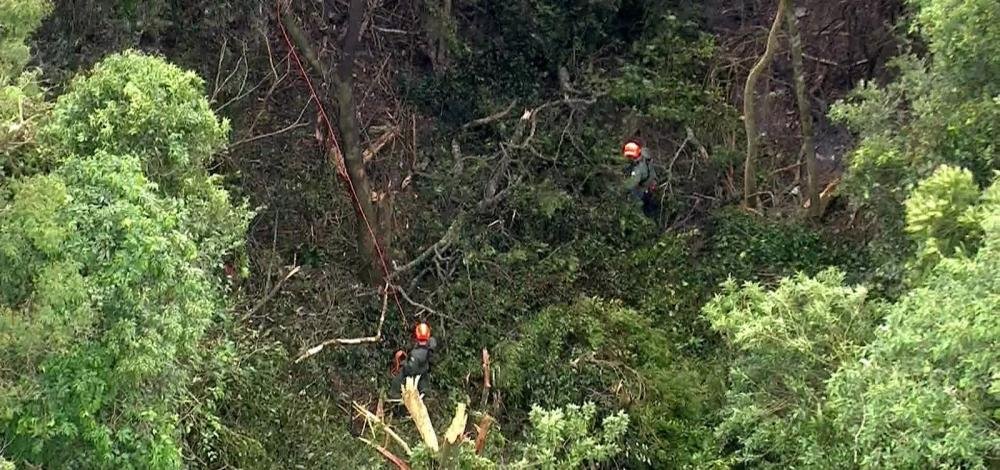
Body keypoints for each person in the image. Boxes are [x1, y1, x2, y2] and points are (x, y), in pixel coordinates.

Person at [389, 322, 437, 399]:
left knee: (399, 377)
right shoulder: (430, 345)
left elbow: (410, 370)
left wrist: (403, 364)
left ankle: (394, 394)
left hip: (415, 375)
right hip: (423, 373)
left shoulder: (416, 353)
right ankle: (426, 395)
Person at [622, 139, 659, 218]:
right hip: (650, 184)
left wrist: (620, 187)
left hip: (643, 191)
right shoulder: (645, 156)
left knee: (637, 204)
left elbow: (631, 184)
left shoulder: (639, 169)